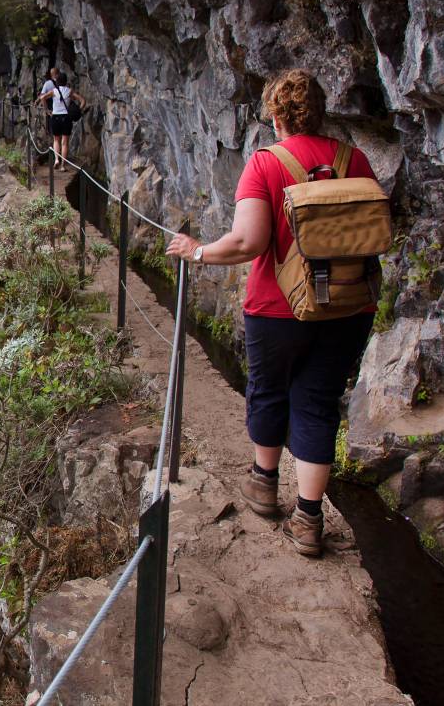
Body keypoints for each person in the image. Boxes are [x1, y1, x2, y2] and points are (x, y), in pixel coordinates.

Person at [164, 69, 377, 557]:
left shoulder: (266, 164)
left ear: (276, 115)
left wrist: (197, 252)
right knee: (318, 403)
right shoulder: (355, 159)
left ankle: (263, 485)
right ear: (321, 112)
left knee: (269, 390)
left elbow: (247, 242)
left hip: (278, 309)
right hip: (348, 306)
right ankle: (307, 518)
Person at [36, 72, 83, 170]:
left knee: (56, 140)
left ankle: (57, 159)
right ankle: (62, 165)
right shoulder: (69, 91)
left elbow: (42, 97)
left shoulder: (53, 91)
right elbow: (83, 100)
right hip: (66, 118)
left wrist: (47, 110)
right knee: (65, 142)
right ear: (66, 81)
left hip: (55, 117)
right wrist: (79, 110)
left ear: (57, 82)